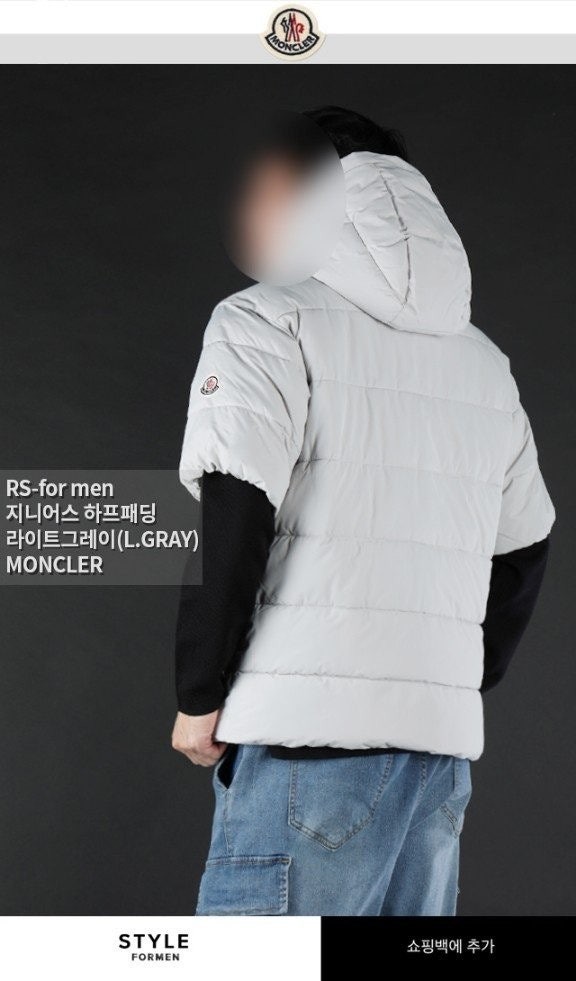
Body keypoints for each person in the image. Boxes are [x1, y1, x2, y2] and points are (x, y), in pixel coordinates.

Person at [171, 105, 555, 916]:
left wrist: (199, 691)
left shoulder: (263, 318)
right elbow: (525, 545)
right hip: (435, 763)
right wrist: (443, 681)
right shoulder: (486, 364)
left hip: (305, 753)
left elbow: (236, 508)